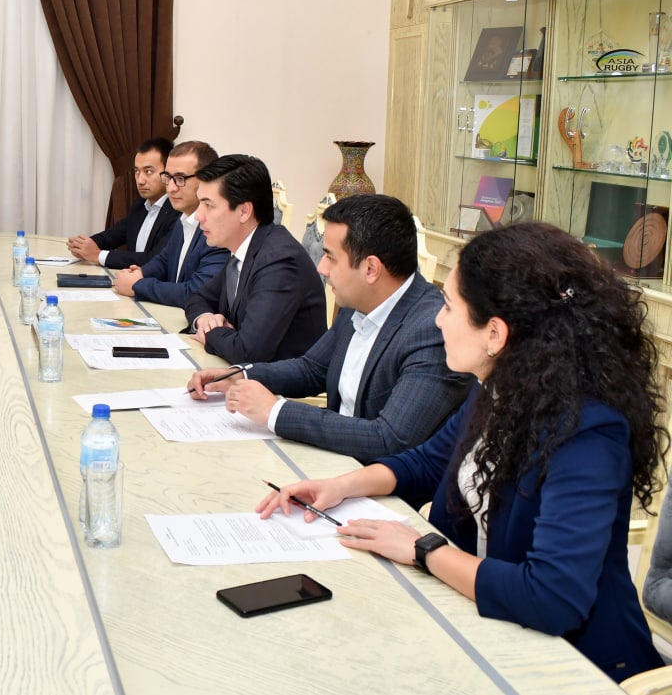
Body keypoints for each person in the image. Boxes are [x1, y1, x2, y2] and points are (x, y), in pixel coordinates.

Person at [258, 222, 668, 683]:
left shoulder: (588, 434)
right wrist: (341, 486)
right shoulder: (501, 385)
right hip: (485, 623)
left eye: (449, 306)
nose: (437, 320)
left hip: (578, 666)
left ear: (494, 333)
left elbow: (551, 597)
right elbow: (430, 461)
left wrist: (423, 549)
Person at [188, 194, 472, 461]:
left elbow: (388, 438)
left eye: (331, 257)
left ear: (371, 269)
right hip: (333, 459)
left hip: (377, 480)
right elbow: (312, 369)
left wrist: (276, 411)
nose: (321, 268)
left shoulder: (430, 330)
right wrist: (240, 376)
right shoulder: (358, 300)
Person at [182, 154, 326, 365]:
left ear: (244, 211)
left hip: (279, 382)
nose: (198, 216)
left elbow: (248, 352)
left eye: (208, 205)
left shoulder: (279, 260)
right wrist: (205, 319)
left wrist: (211, 334)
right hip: (243, 374)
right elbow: (198, 298)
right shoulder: (244, 250)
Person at [113, 140, 229, 308]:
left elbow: (196, 292)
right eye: (168, 178)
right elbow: (164, 260)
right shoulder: (183, 218)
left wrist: (137, 285)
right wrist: (140, 273)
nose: (171, 188)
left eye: (180, 178)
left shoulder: (218, 229)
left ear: (207, 179)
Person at [67, 137, 179, 269]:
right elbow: (114, 234)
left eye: (148, 171)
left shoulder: (177, 211)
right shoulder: (140, 205)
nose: (140, 180)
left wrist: (98, 255)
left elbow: (154, 259)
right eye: (137, 171)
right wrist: (84, 245)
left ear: (168, 174)